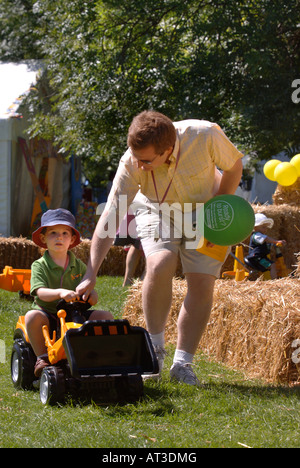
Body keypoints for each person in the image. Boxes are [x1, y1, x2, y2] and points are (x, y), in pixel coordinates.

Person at [76, 111, 244, 385]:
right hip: (156, 210)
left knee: (201, 283)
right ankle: (154, 351)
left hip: (204, 210)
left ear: (168, 150)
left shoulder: (205, 134)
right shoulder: (131, 162)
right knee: (159, 262)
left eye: (146, 160)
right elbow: (110, 217)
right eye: (136, 158)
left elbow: (235, 166)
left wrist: (218, 211)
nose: (139, 165)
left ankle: (182, 365)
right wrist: (91, 272)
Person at [26, 208, 113, 377]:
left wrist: (92, 295)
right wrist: (60, 293)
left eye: (65, 233)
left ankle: (97, 353)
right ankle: (42, 357)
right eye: (53, 233)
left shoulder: (78, 265)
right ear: (43, 238)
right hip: (48, 313)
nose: (59, 237)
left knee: (106, 316)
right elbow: (39, 292)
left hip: (75, 313)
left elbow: (89, 289)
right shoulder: (40, 265)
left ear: (72, 239)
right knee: (31, 317)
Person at [244, 213, 287, 279]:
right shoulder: (257, 235)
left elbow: (266, 242)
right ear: (255, 227)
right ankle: (274, 280)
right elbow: (266, 239)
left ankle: (270, 277)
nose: (265, 229)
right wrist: (276, 241)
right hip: (256, 257)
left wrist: (275, 244)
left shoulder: (259, 236)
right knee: (272, 265)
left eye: (266, 227)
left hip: (260, 256)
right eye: (263, 227)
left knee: (271, 264)